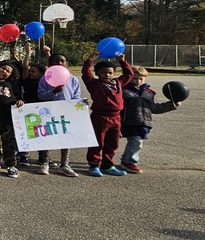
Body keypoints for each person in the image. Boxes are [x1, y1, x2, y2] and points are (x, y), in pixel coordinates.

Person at [82, 51, 135, 177]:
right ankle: (94, 165)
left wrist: (122, 61)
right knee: (98, 142)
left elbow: (129, 74)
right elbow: (85, 74)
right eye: (103, 72)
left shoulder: (118, 82)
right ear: (97, 74)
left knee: (113, 143)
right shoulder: (94, 84)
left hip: (116, 117)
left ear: (114, 74)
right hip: (100, 117)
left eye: (110, 73)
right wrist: (90, 60)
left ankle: (107, 166)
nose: (107, 75)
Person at [120, 66, 179, 173]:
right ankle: (125, 161)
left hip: (143, 122)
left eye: (141, 78)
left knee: (136, 142)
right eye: (134, 78)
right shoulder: (123, 90)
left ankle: (128, 161)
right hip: (127, 121)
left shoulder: (148, 93)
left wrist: (171, 105)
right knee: (133, 141)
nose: (137, 81)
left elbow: (154, 108)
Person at [37, 47, 81, 177]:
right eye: (56, 61)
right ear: (50, 65)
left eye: (62, 61)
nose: (60, 64)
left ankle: (65, 164)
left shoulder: (73, 79)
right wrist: (53, 92)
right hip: (49, 112)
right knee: (48, 137)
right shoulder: (44, 79)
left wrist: (78, 104)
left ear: (67, 64)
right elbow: (40, 95)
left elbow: (76, 96)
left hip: (66, 113)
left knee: (66, 139)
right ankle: (44, 162)